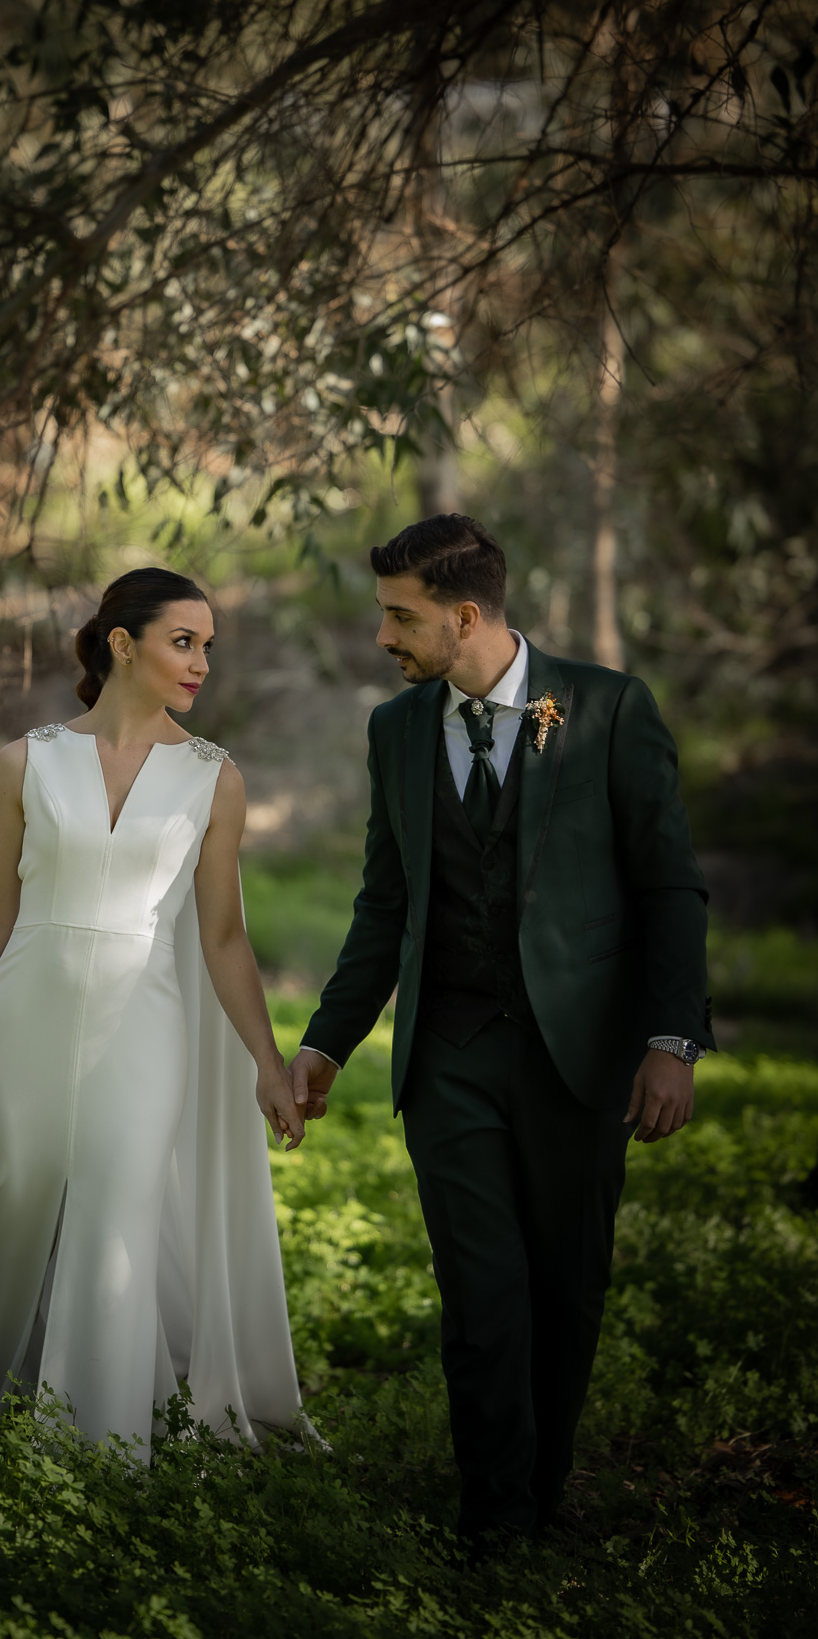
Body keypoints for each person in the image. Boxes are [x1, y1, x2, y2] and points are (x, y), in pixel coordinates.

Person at [289, 515, 710, 1545]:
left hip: (583, 1060)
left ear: (464, 615)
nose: (385, 636)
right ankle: (495, 1524)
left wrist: (671, 1041)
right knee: (482, 1296)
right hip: (452, 1057)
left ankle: (543, 1496)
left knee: (566, 1293)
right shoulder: (397, 731)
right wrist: (326, 1042)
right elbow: (384, 904)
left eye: (402, 617)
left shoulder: (605, 708)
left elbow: (669, 887)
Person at [0, 567, 306, 1459]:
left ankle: (100, 1448)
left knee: (118, 1212)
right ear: (122, 644)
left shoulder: (215, 779)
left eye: (209, 645)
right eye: (185, 641)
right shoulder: (25, 760)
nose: (202, 661)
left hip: (146, 1024)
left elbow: (223, 940)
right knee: (14, 1207)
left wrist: (267, 1064)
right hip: (25, 1015)